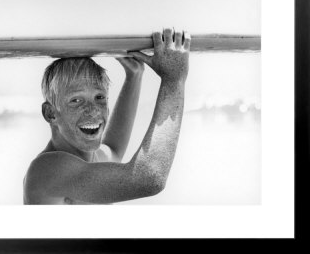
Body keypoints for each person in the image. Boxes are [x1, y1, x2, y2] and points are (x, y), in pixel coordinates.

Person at [23, 28, 190, 204]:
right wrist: (173, 79)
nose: (93, 110)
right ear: (50, 114)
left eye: (99, 97)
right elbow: (148, 178)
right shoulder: (48, 169)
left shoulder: (91, 159)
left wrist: (134, 75)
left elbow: (114, 149)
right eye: (76, 100)